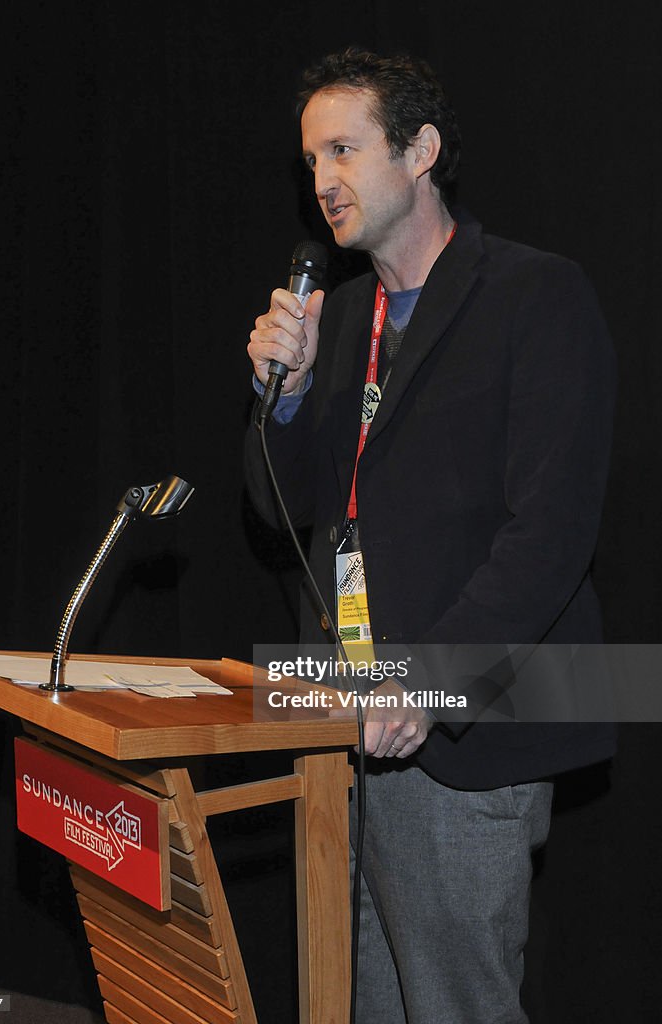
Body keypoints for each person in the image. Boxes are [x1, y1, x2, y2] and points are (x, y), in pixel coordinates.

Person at [245, 48, 616, 1023]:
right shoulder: (345, 316)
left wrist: (428, 674)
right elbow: (286, 511)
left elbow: (550, 532)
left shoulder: (534, 295)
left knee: (452, 1006)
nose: (320, 180)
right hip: (337, 711)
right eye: (308, 160)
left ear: (420, 151)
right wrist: (281, 398)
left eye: (342, 149)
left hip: (457, 724)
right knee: (353, 1001)